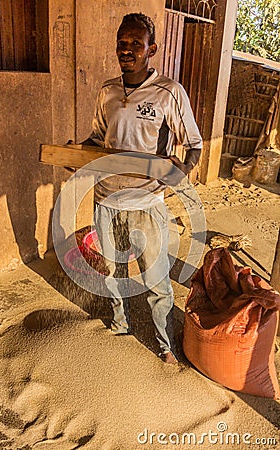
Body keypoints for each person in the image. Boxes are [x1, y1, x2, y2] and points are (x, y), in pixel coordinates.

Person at [82, 13, 202, 364]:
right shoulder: (108, 90)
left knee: (156, 278)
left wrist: (185, 167)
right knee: (113, 272)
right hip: (106, 199)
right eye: (123, 42)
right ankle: (120, 324)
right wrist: (76, 150)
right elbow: (97, 138)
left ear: (152, 49)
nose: (128, 49)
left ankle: (164, 344)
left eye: (137, 43)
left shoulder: (169, 92)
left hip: (146, 201)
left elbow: (192, 144)